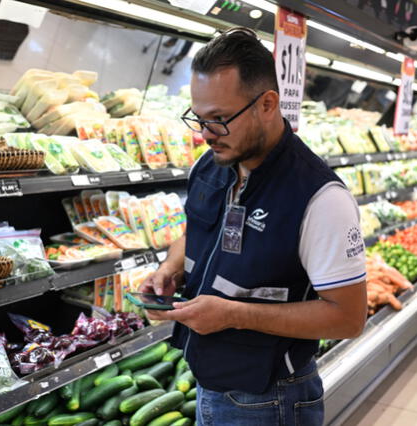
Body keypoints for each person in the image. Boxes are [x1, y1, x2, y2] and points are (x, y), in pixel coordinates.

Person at [140, 27, 367, 426]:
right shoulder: (212, 166)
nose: (206, 135)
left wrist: (233, 314)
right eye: (199, 118)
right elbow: (198, 231)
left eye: (220, 119)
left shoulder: (319, 197)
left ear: (267, 104)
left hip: (271, 399)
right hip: (209, 378)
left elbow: (348, 318)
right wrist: (169, 268)